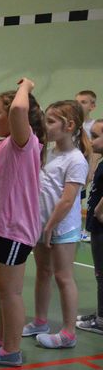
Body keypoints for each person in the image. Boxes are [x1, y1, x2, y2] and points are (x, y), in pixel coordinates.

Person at [0, 78, 44, 367]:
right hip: (3, 227)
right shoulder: (7, 145)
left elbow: (18, 110)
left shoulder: (22, 143)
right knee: (3, 290)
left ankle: (11, 351)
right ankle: (2, 340)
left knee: (11, 292)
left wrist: (26, 86)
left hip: (15, 229)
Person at [21, 100, 90, 348]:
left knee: (63, 277)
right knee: (43, 272)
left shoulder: (76, 160)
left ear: (69, 126)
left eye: (51, 121)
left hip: (62, 229)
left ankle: (68, 333)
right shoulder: (48, 152)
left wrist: (50, 227)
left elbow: (67, 200)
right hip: (41, 226)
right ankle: (40, 321)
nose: (45, 125)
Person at [77, 119, 103, 335]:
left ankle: (101, 320)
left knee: (101, 273)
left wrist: (99, 211)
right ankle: (100, 312)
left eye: (95, 136)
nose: (91, 140)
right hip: (96, 225)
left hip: (101, 226)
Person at [76, 90, 97, 243]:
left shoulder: (94, 126)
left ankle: (80, 230)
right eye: (77, 102)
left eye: (83, 102)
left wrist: (91, 170)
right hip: (71, 167)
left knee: (79, 199)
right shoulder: (71, 123)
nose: (79, 105)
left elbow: (95, 152)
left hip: (84, 169)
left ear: (92, 106)